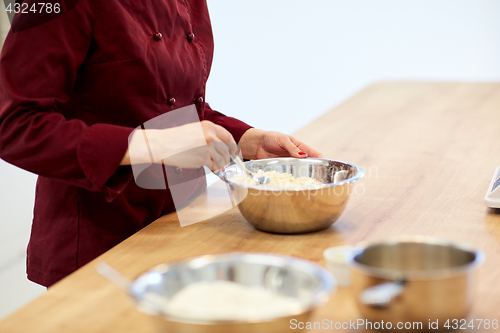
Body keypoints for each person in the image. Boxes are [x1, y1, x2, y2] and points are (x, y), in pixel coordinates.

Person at [0, 0, 323, 287]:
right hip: (98, 240)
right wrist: (155, 145)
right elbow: (13, 124)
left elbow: (167, 103)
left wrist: (245, 140)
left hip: (180, 224)